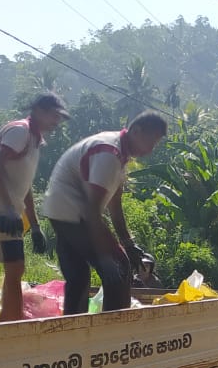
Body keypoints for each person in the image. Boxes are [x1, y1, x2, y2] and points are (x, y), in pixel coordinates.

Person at [42, 111, 168, 315]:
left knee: (78, 277)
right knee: (120, 268)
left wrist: (128, 243)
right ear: (136, 131)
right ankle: (115, 335)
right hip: (74, 212)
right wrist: (107, 257)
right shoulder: (110, 154)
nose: (151, 150)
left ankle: (74, 330)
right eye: (150, 141)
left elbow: (114, 205)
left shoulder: (118, 153)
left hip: (60, 211)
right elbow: (92, 213)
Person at [0, 93, 70, 321]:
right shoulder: (21, 132)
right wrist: (7, 208)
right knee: (15, 268)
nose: (56, 122)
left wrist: (35, 226)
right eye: (53, 116)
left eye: (59, 117)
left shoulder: (34, 140)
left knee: (15, 270)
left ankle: (7, 322)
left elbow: (24, 187)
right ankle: (10, 325)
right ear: (39, 111)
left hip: (6, 208)